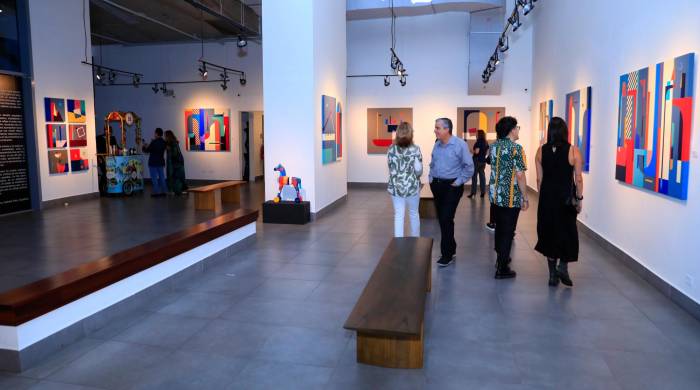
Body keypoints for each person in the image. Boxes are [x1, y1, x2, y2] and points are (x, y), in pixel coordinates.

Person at [535, 117, 583, 287]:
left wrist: (542, 199)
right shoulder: (573, 151)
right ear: (565, 131)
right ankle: (563, 267)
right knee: (567, 232)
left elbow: (539, 179)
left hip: (548, 199)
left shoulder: (540, 151)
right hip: (566, 199)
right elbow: (578, 178)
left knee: (549, 233)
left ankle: (552, 275)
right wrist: (579, 198)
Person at [429, 118, 474, 267]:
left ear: (447, 129)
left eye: (438, 128)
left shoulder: (459, 144)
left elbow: (469, 167)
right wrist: (431, 178)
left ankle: (446, 255)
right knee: (444, 219)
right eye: (435, 128)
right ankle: (452, 247)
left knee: (445, 219)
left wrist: (459, 181)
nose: (435, 130)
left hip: (452, 187)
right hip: (437, 186)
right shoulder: (437, 144)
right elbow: (433, 163)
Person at [488, 116, 529, 279]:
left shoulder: (494, 146)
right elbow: (520, 175)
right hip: (510, 197)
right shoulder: (516, 149)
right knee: (508, 231)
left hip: (495, 195)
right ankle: (502, 267)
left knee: (499, 228)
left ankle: (500, 258)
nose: (518, 130)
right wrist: (525, 197)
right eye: (517, 127)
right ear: (512, 129)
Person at [387, 122, 423, 237]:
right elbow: (418, 170)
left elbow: (390, 167)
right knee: (413, 214)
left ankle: (398, 243)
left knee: (398, 215)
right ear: (411, 134)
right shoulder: (415, 149)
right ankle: (415, 239)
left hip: (396, 187)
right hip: (412, 187)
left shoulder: (391, 149)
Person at [142, 128, 167, 197]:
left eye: (155, 133)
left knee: (154, 178)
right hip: (161, 161)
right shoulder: (164, 142)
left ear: (156, 133)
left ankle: (157, 192)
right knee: (162, 177)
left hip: (153, 162)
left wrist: (144, 146)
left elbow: (147, 151)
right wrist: (151, 145)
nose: (154, 134)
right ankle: (164, 191)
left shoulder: (154, 142)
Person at [164, 130, 188, 196]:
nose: (164, 137)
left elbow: (174, 154)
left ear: (168, 136)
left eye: (165, 136)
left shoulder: (172, 143)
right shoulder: (174, 142)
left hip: (175, 163)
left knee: (175, 177)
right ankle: (181, 190)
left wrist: (169, 149)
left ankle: (175, 191)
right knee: (179, 177)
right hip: (178, 163)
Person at [467, 129, 489, 198]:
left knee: (474, 177)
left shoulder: (478, 142)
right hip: (483, 161)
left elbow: (476, 152)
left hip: (476, 161)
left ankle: (473, 193)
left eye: (476, 134)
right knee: (482, 177)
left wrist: (471, 150)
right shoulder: (486, 142)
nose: (476, 135)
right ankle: (483, 192)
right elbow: (488, 151)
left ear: (479, 135)